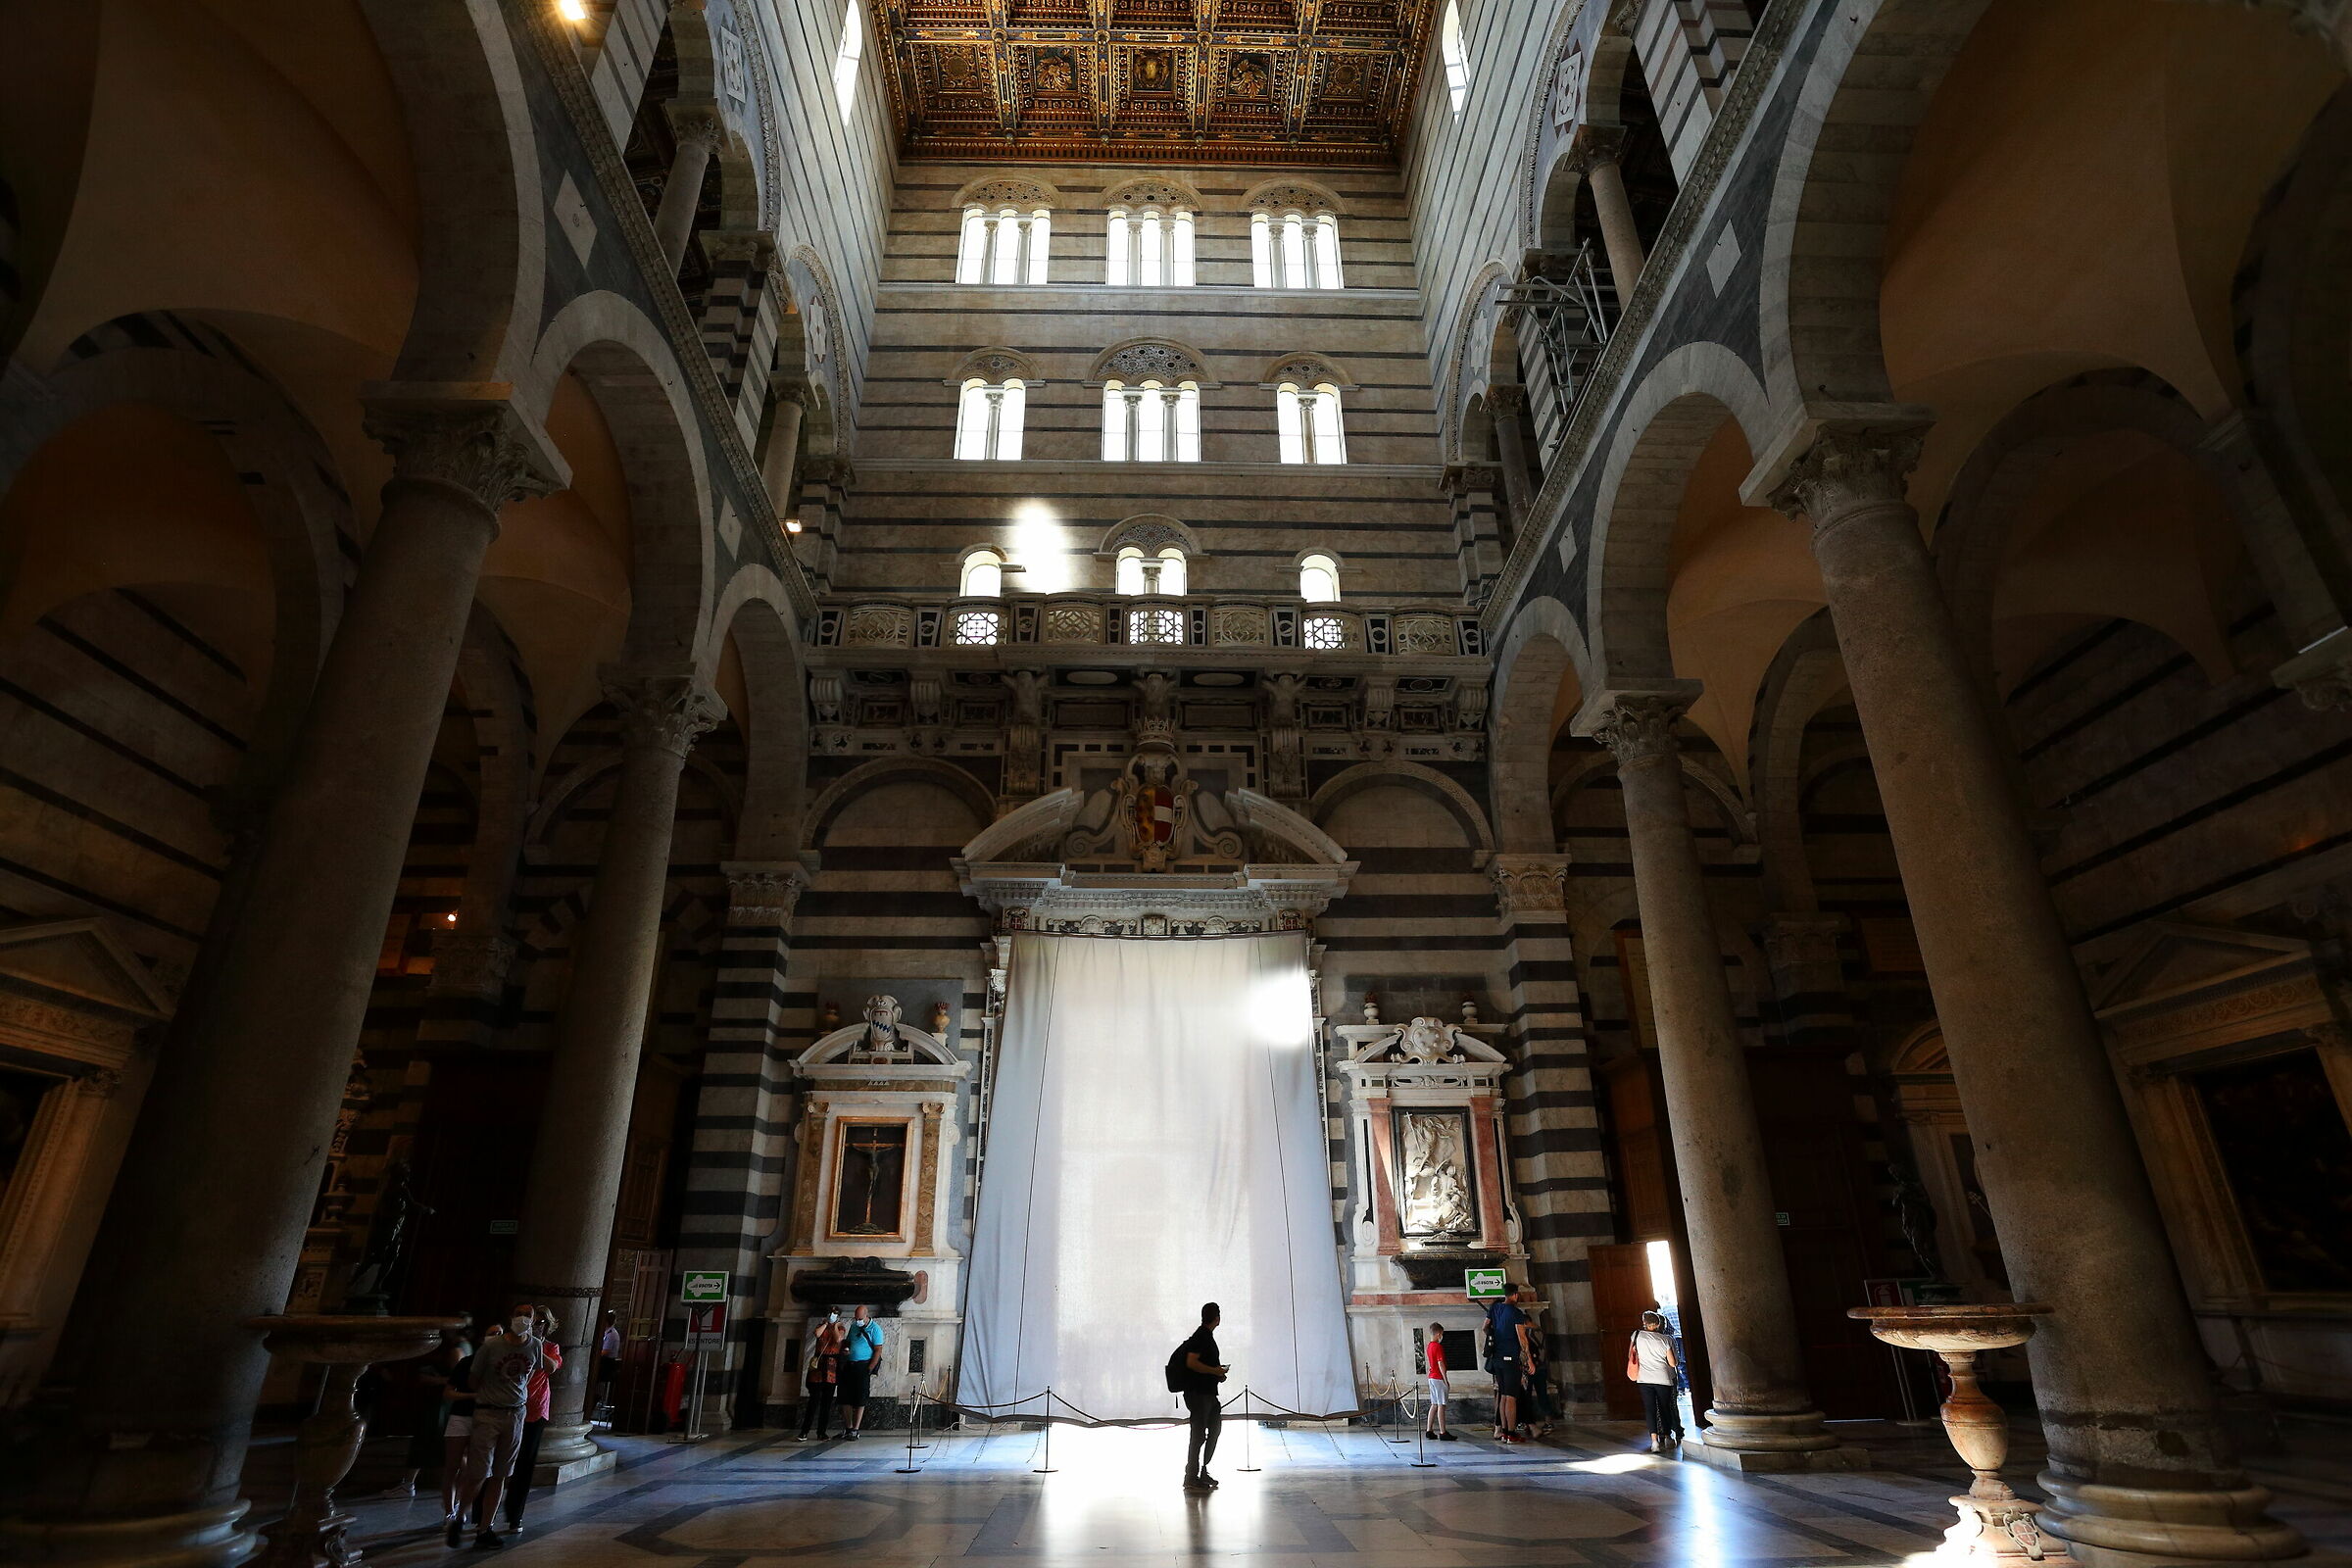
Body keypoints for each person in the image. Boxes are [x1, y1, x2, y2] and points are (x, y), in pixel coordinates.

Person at [447, 1304, 548, 1549]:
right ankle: (460, 1517)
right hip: (488, 1413)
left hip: (515, 1414)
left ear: (533, 1321)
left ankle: (485, 1529)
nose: (523, 1319)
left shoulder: (535, 1345)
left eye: (529, 1315)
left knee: (502, 1474)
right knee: (479, 1473)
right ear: (511, 1317)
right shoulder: (491, 1346)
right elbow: (473, 1378)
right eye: (520, 1314)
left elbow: (533, 1371)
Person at [500, 1307, 563, 1535]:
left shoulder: (549, 1347)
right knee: (498, 1460)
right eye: (532, 1320)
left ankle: (515, 1515)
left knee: (525, 1465)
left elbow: (551, 1367)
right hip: (508, 1407)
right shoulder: (512, 1344)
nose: (536, 1324)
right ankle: (481, 1513)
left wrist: (534, 1341)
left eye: (541, 1321)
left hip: (535, 1411)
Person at [1173, 1301, 1229, 1492]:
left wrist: (1217, 1374)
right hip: (1199, 1394)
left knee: (1214, 1429)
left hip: (1207, 1393)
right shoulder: (1201, 1337)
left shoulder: (1205, 1336)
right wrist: (1215, 1371)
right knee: (1198, 1436)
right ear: (1217, 1318)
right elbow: (1192, 1363)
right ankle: (1191, 1477)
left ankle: (1202, 1471)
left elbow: (1200, 1365)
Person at [1628, 1308, 1684, 1451]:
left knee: (1650, 1409)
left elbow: (1631, 1355)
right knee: (1664, 1408)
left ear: (1644, 1323)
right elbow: (1673, 1363)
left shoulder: (1636, 1335)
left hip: (1644, 1378)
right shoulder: (1666, 1339)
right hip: (1663, 1379)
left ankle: (1654, 1442)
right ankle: (1667, 1436)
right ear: (1659, 1324)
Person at [1483, 1288, 1527, 1443]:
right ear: (1515, 1295)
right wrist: (1528, 1359)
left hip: (1497, 1359)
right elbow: (1522, 1338)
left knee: (1502, 1395)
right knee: (1511, 1397)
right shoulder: (1516, 1313)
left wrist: (1495, 1337)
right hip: (1510, 1359)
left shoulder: (1495, 1308)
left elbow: (1485, 1327)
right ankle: (1511, 1433)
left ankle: (1502, 1432)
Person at [797, 1311, 846, 1442]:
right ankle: (804, 1431)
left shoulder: (840, 1328)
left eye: (834, 1314)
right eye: (831, 1313)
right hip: (818, 1366)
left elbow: (837, 1339)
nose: (832, 1316)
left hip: (831, 1367)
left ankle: (821, 1432)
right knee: (813, 1400)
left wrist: (835, 1325)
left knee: (827, 1402)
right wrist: (826, 1323)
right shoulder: (821, 1325)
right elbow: (817, 1334)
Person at [837, 1303, 884, 1439]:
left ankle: (855, 1429)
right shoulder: (854, 1326)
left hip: (863, 1366)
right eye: (856, 1318)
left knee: (860, 1398)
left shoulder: (875, 1329)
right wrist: (846, 1350)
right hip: (849, 1365)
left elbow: (878, 1350)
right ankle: (848, 1427)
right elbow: (849, 1342)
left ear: (866, 1315)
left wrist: (869, 1369)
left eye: (859, 1318)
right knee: (844, 1397)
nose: (857, 1320)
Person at [1422, 1322, 1454, 1441]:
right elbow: (1441, 1364)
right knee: (1441, 1405)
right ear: (1438, 1334)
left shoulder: (1429, 1346)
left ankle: (1429, 1430)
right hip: (1438, 1378)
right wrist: (1446, 1380)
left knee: (1434, 1404)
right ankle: (1443, 1431)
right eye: (1442, 1334)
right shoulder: (1438, 1346)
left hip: (1431, 1377)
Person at [593, 1309, 622, 1425]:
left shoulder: (612, 1335)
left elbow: (605, 1352)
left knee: (597, 1383)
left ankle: (595, 1398)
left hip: (607, 1364)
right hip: (604, 1362)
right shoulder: (606, 1332)